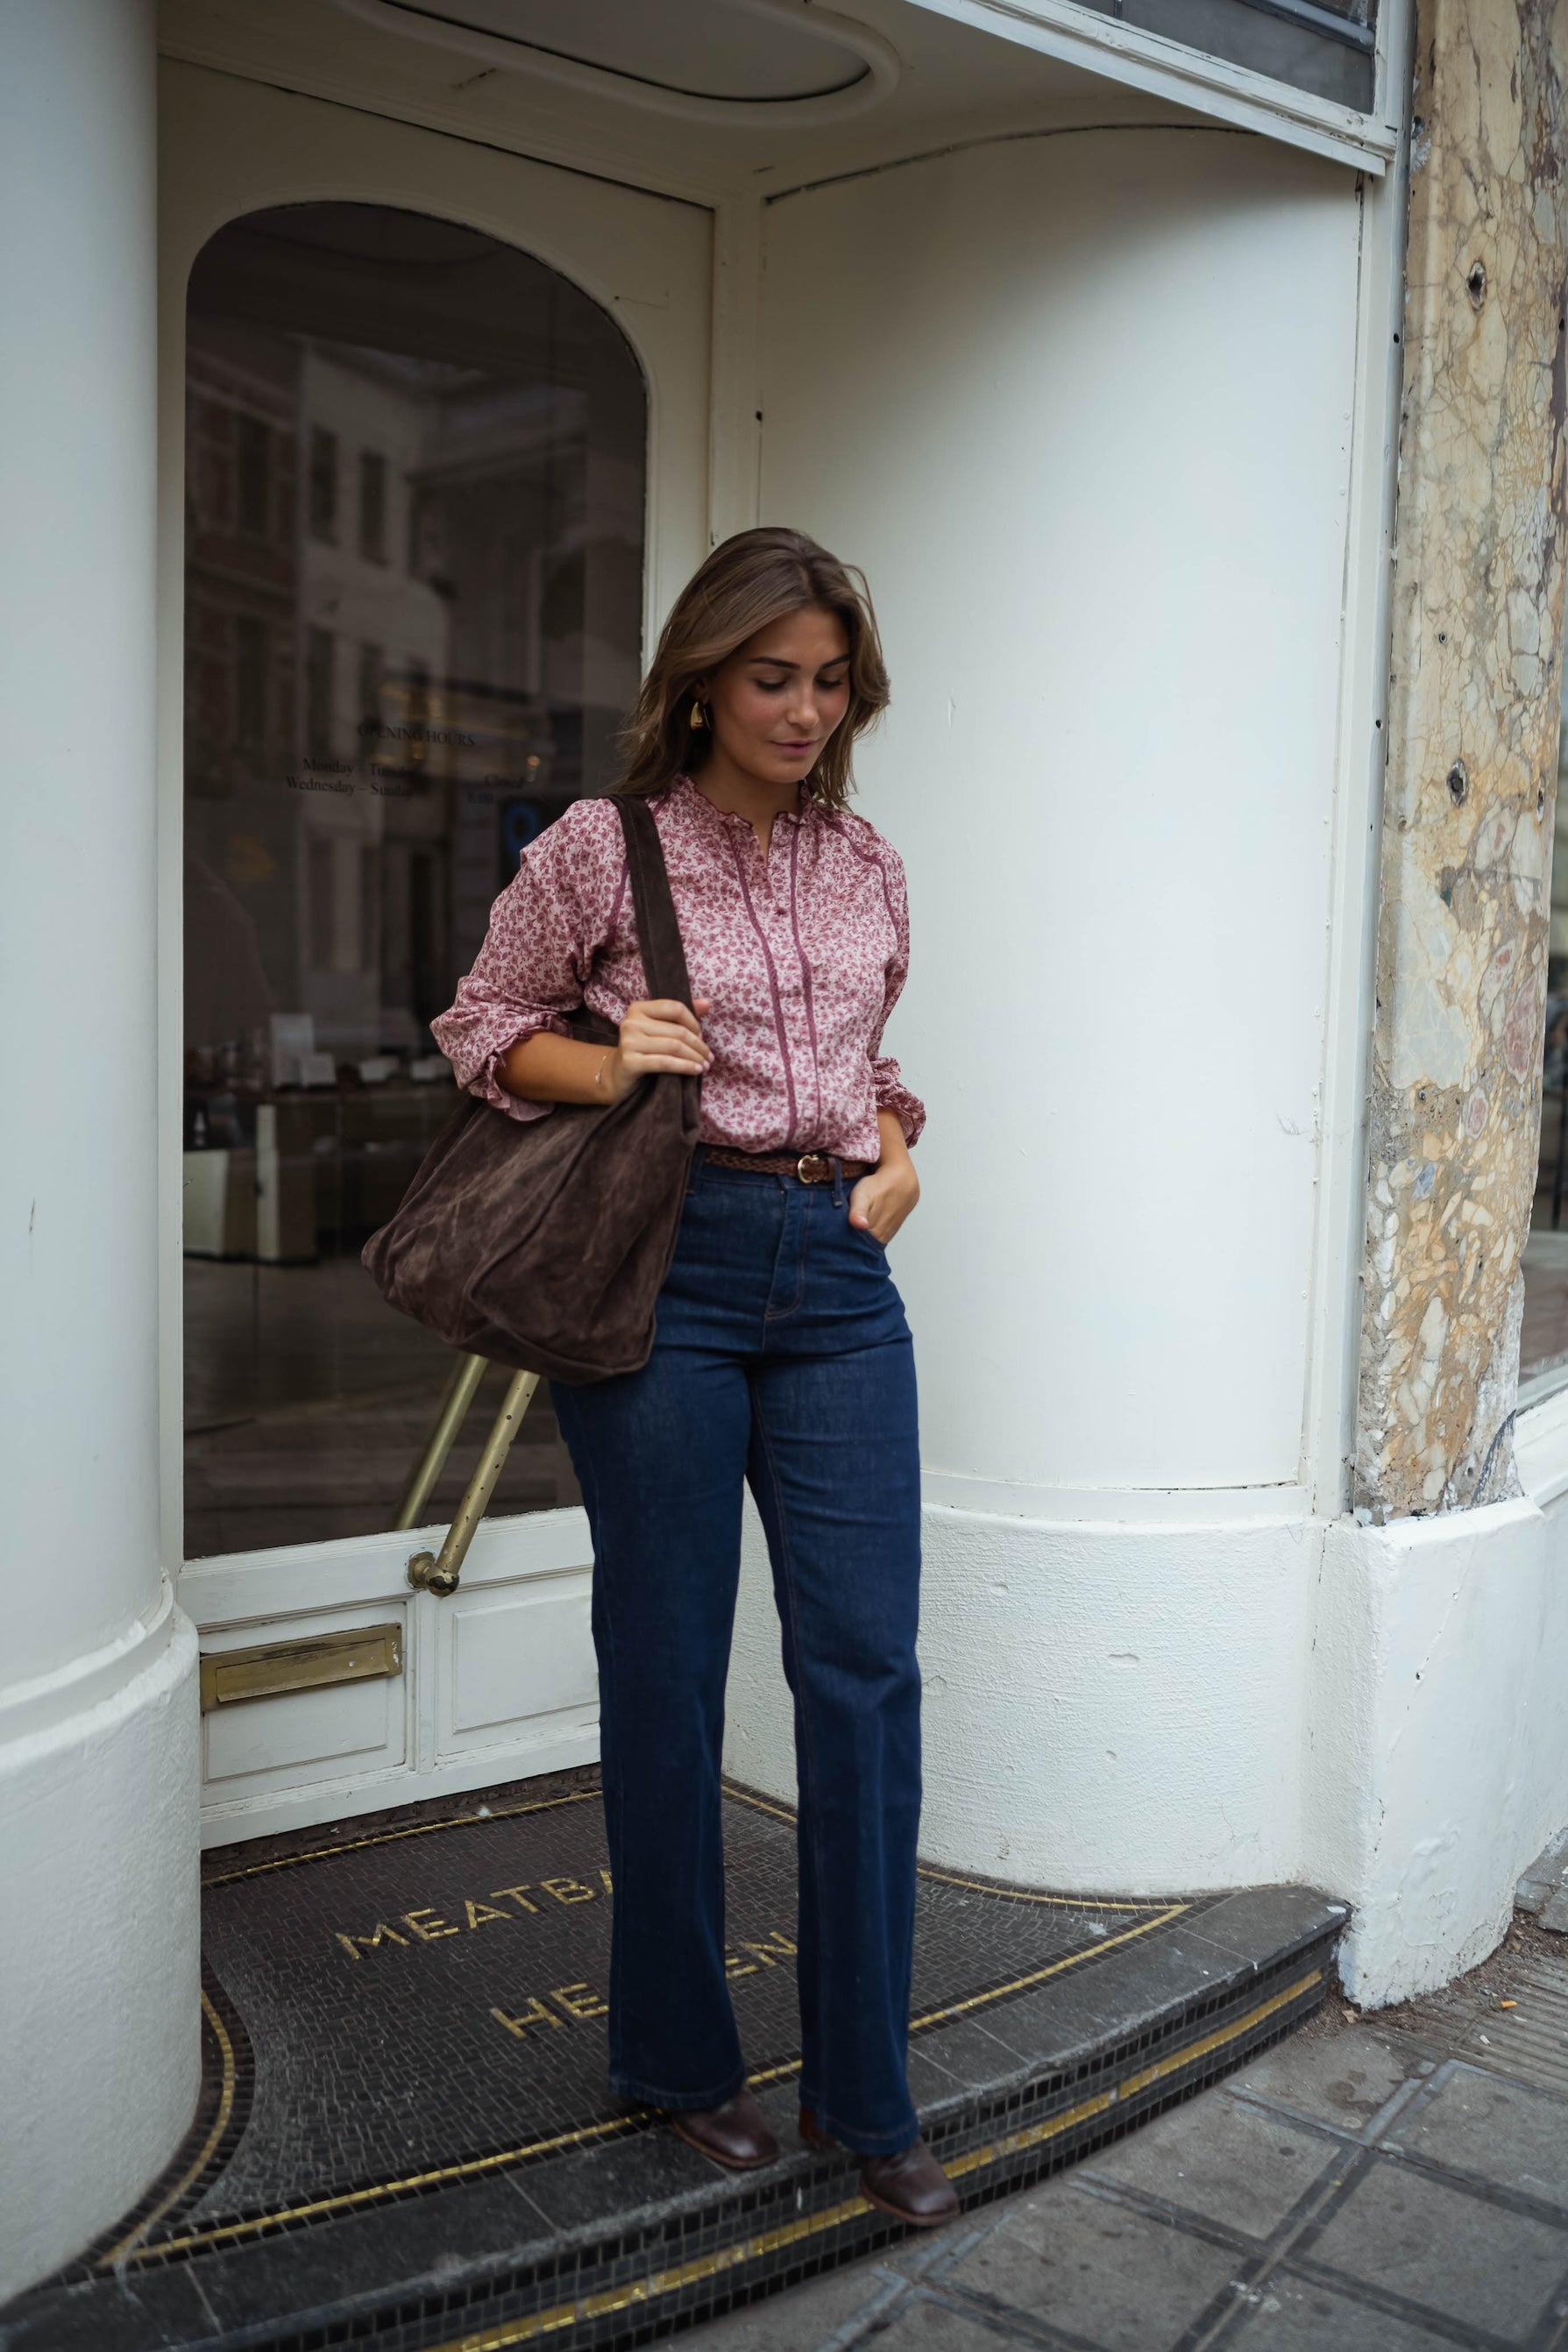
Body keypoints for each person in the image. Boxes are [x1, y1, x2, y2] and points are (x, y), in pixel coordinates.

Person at [432, 527, 956, 2227]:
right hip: (668, 1265)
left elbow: (869, 1057)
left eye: (827, 680)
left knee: (865, 1672)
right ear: (701, 680)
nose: (803, 707)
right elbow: (478, 1026)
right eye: (771, 676)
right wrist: (608, 1056)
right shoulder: (605, 848)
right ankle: (675, 2054)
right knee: (665, 1666)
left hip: (837, 1272)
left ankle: (863, 2094)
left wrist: (891, 1149)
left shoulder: (869, 860)